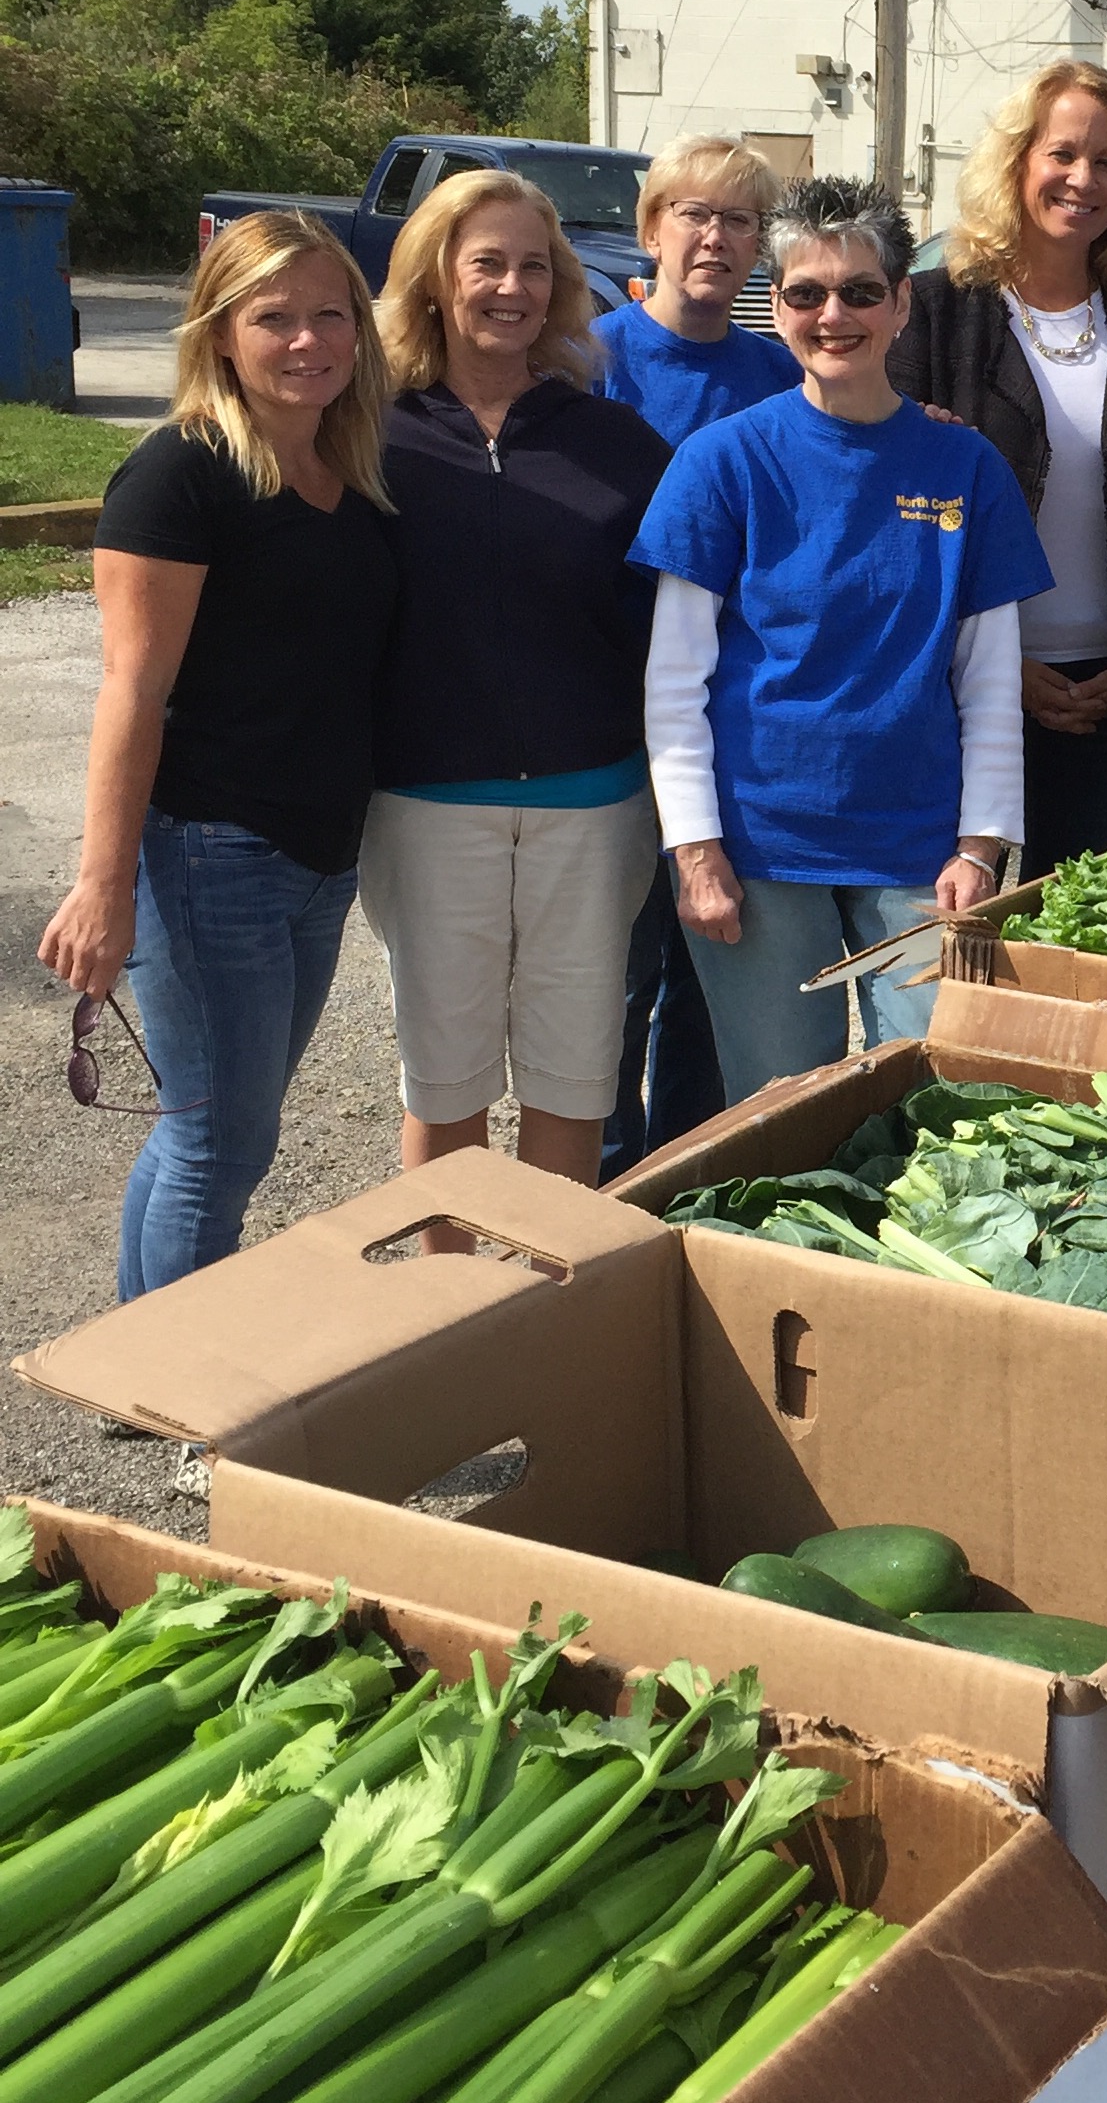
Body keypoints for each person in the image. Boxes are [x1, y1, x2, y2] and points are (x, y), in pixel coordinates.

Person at [38, 211, 397, 1307]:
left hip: (317, 857)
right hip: (207, 855)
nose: (305, 341)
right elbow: (131, 692)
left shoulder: (352, 468)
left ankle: (140, 1369)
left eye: (327, 314)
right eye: (272, 318)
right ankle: (191, 1408)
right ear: (222, 334)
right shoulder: (180, 475)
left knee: (216, 1129)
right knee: (218, 1143)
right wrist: (103, 888)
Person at [633, 178, 1052, 1101]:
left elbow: (986, 681)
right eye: (806, 293)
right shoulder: (723, 460)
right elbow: (674, 684)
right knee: (787, 1112)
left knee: (939, 1103)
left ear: (903, 303)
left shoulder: (964, 464)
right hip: (762, 847)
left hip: (921, 850)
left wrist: (984, 849)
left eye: (862, 290)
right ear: (775, 305)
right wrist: (694, 850)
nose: (834, 314)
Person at [364, 170, 671, 1209]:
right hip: (425, 806)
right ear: (435, 279)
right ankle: (453, 1313)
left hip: (593, 806)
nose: (512, 287)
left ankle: (553, 1303)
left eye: (534, 266)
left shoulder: (615, 442)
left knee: (574, 1075)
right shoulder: (368, 435)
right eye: (486, 262)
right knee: (444, 1077)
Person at [890, 62, 1107, 878]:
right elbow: (889, 517)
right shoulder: (930, 314)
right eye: (1062, 153)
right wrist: (1003, 666)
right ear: (1016, 161)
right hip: (967, 690)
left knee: (1080, 948)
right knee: (968, 950)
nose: (1084, 179)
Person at [593, 135, 798, 1177]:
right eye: (695, 215)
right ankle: (603, 1183)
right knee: (614, 980)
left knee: (706, 972)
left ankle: (682, 1179)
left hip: (738, 720)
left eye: (741, 220)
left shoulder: (777, 371)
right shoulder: (594, 360)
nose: (716, 238)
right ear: (653, 229)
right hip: (610, 713)